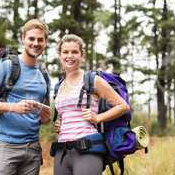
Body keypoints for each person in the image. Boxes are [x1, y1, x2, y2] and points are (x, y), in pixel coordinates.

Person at [0, 18, 51, 175]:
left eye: (40, 39)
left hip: (33, 150)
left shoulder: (44, 75)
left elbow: (43, 116)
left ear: (45, 42)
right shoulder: (4, 66)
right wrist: (12, 107)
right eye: (31, 38)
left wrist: (45, 118)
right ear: (23, 38)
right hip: (4, 147)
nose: (35, 43)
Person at [53, 34, 130, 175]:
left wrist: (98, 117)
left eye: (75, 52)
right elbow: (67, 113)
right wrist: (60, 123)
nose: (70, 56)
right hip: (62, 152)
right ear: (60, 55)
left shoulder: (92, 80)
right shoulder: (59, 86)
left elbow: (123, 106)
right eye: (65, 52)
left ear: (82, 55)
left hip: (88, 149)